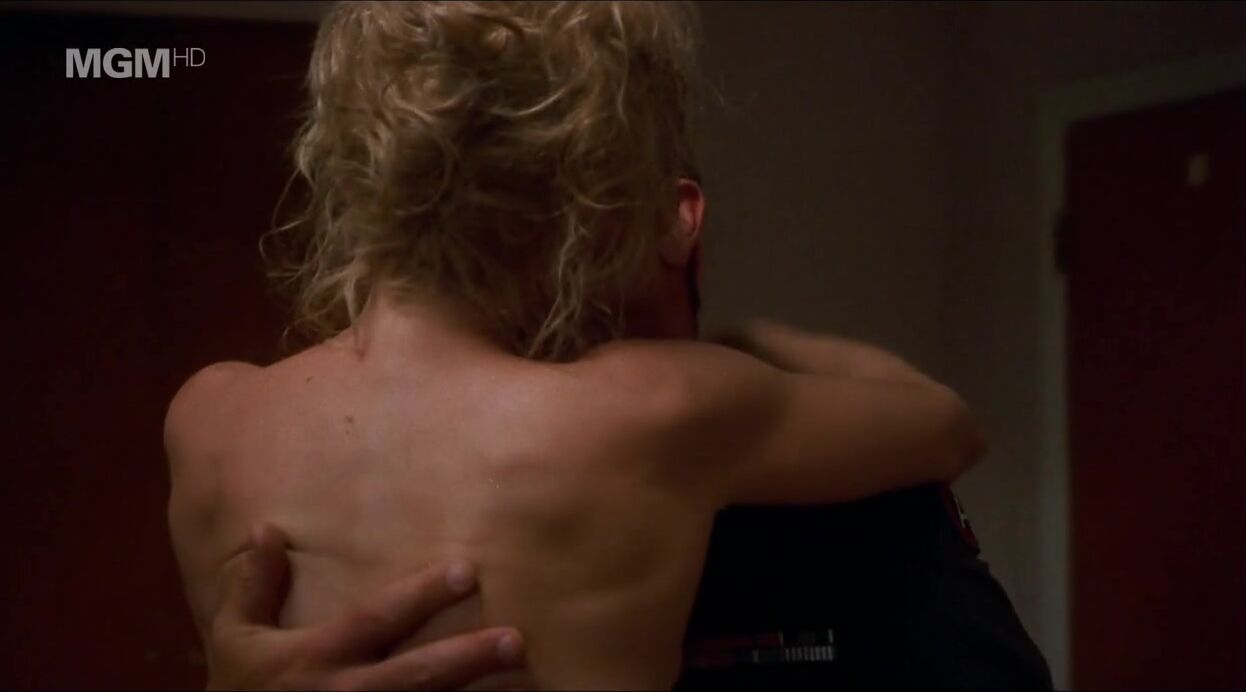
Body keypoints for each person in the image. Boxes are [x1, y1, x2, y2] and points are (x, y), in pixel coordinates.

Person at [166, 1, 987, 688]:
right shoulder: (655, 408)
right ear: (582, 195)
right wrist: (753, 342)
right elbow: (946, 423)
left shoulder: (210, 422)